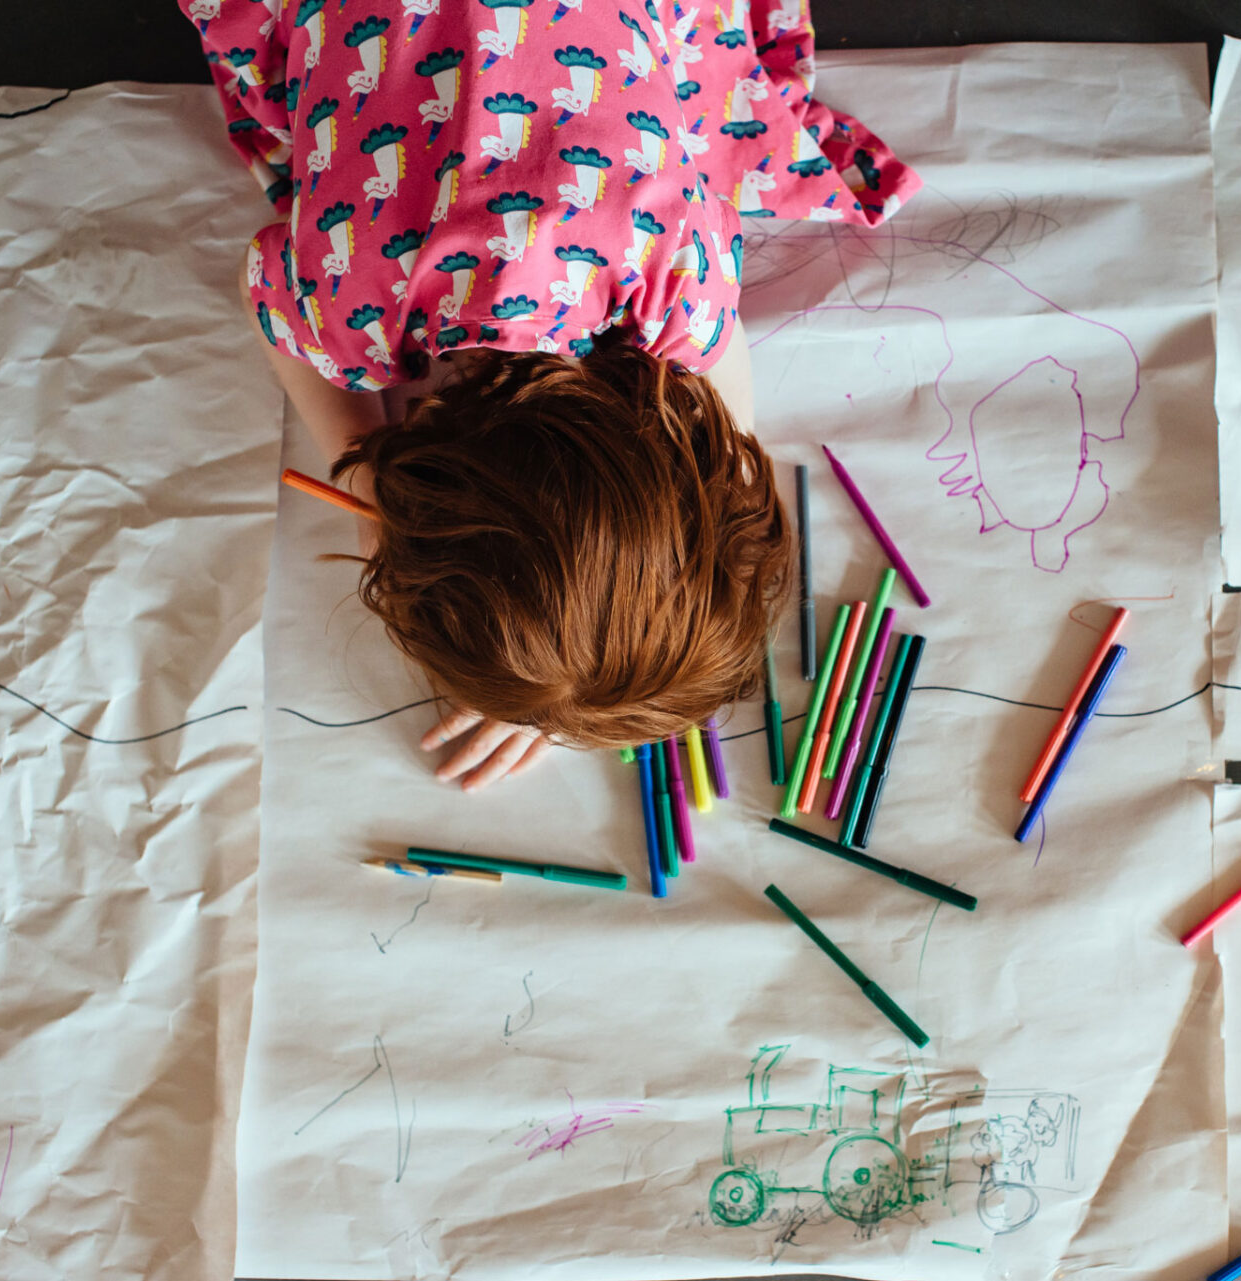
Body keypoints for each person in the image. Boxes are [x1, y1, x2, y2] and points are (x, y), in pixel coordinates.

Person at [181, 0, 919, 790]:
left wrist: (553, 653)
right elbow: (261, 288)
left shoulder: (673, 274)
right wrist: (363, 486)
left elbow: (724, 407)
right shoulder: (345, 300)